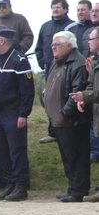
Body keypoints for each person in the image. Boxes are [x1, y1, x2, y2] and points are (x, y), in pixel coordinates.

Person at [0, 27, 34, 201]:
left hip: (13, 111)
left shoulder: (19, 60)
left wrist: (23, 114)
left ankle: (20, 185)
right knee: (1, 150)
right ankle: (9, 183)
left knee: (16, 150)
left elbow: (27, 91)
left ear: (2, 41)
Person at [42, 31, 91, 202]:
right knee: (68, 158)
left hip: (72, 121)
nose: (53, 47)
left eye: (57, 44)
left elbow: (78, 90)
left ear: (69, 45)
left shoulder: (77, 63)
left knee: (77, 157)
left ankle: (79, 191)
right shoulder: (58, 62)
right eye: (52, 44)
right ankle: (72, 188)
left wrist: (64, 114)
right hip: (60, 121)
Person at [36, 0, 75, 144]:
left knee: (65, 97)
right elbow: (39, 48)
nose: (55, 10)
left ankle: (66, 128)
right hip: (50, 70)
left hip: (68, 69)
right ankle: (53, 132)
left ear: (65, 9)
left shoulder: (71, 26)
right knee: (50, 99)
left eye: (58, 7)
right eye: (53, 7)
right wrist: (42, 63)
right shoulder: (45, 27)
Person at [70, 26, 99, 201]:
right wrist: (83, 99)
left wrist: (86, 95)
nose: (88, 42)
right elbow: (91, 86)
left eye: (91, 39)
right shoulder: (94, 62)